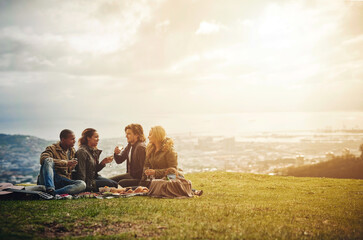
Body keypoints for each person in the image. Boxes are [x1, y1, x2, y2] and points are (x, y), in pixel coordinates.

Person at [38, 129, 86, 196]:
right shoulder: (52, 148)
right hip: (50, 178)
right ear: (63, 139)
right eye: (72, 139)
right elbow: (43, 158)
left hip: (62, 181)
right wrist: (65, 163)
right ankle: (50, 189)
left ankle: (53, 193)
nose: (74, 141)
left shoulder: (72, 151)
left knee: (82, 184)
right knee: (48, 160)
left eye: (74, 139)